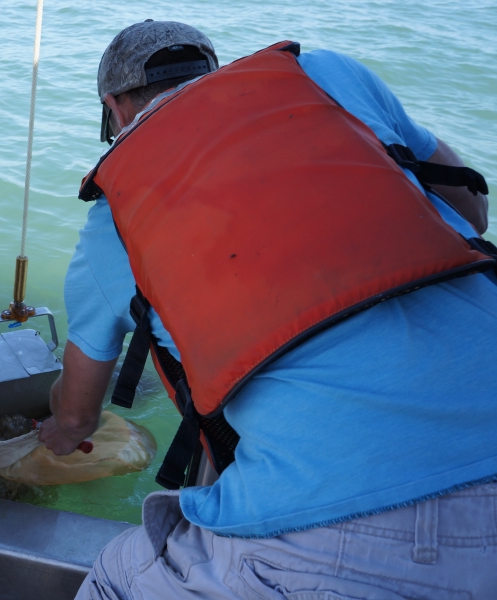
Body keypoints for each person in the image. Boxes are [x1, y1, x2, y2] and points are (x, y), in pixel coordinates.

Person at [39, 20, 497, 598]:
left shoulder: (115, 228)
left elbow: (79, 417)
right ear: (217, 74)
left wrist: (50, 429)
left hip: (354, 532)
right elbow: (472, 213)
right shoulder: (328, 74)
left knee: (113, 577)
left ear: (116, 110)